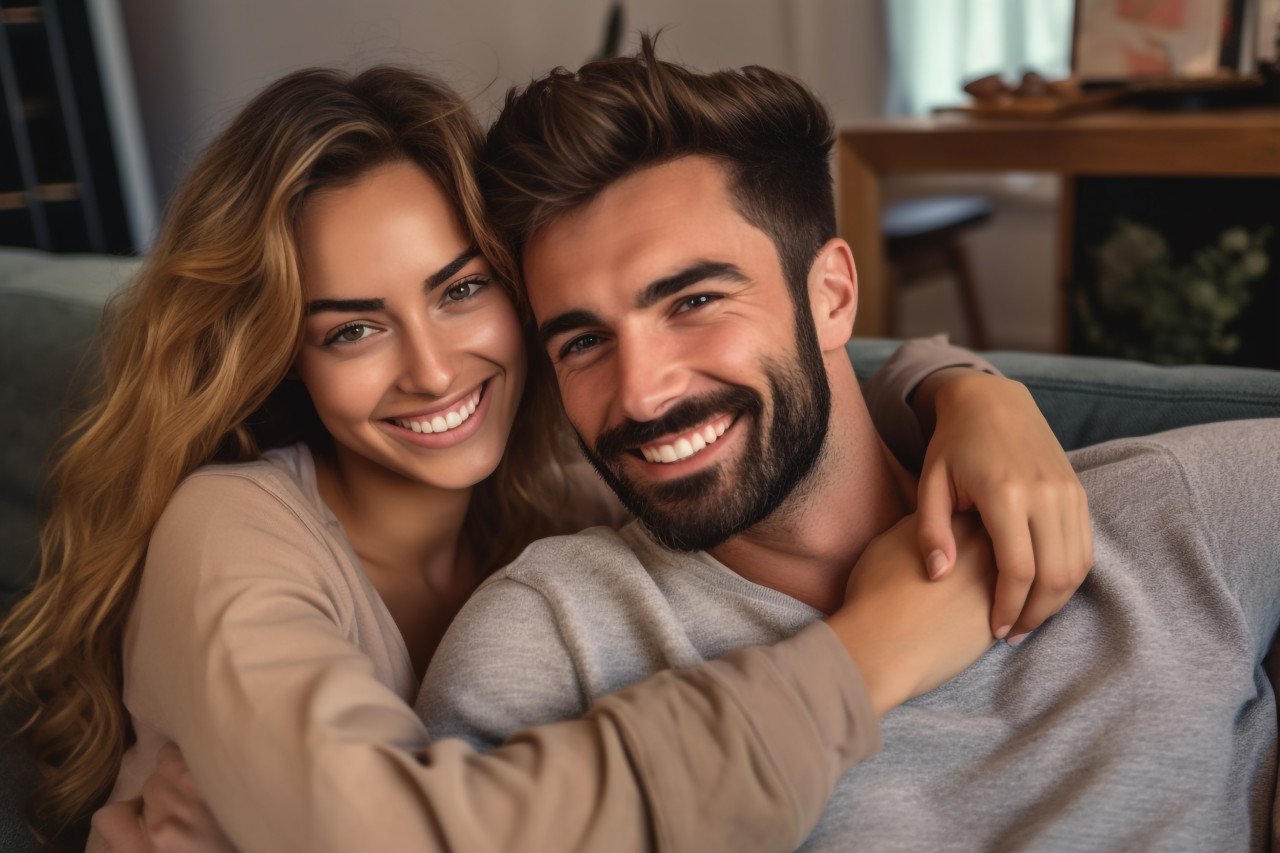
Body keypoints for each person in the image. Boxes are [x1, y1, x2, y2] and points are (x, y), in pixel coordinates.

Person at [0, 66, 1085, 853]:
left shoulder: (557, 496)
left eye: (460, 289)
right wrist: (867, 658)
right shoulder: (228, 528)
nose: (433, 370)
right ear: (286, 351)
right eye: (352, 328)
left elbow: (776, 375)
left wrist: (966, 393)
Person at [418, 41, 1280, 850]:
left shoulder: (1172, 515)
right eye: (583, 342)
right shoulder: (555, 636)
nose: (640, 393)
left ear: (831, 295)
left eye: (694, 302)